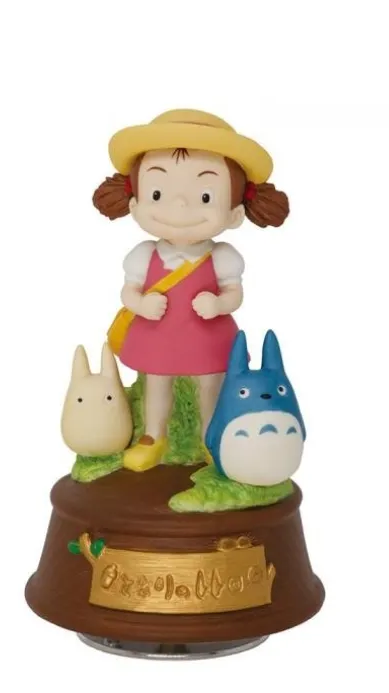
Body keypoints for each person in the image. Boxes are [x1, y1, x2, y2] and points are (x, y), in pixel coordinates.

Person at [93, 109, 290, 472]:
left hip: (205, 336)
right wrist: (141, 303)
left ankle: (210, 436)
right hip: (158, 334)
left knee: (210, 384)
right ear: (135, 204)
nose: (180, 206)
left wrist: (219, 303)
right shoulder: (144, 255)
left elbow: (235, 295)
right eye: (157, 193)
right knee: (157, 381)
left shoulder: (222, 257)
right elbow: (127, 292)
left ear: (235, 213)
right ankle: (153, 435)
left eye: (205, 196)